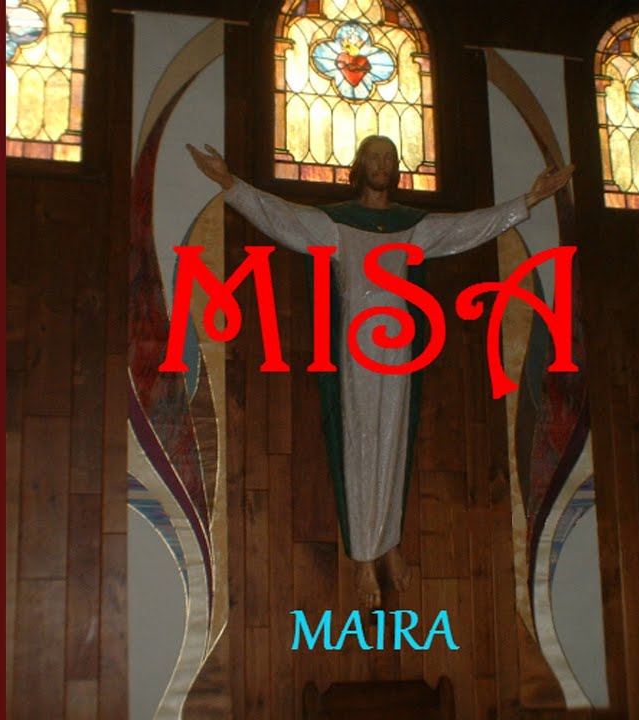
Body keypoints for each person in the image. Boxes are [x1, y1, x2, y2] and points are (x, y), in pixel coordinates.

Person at [187, 136, 573, 608]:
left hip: (399, 349)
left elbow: (467, 228)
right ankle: (364, 555)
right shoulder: (336, 224)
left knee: (393, 441)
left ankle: (387, 542)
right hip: (356, 349)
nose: (381, 164)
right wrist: (230, 183)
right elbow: (281, 217)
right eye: (373, 156)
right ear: (359, 166)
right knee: (360, 444)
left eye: (389, 158)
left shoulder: (411, 227)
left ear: (395, 169)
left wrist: (528, 199)